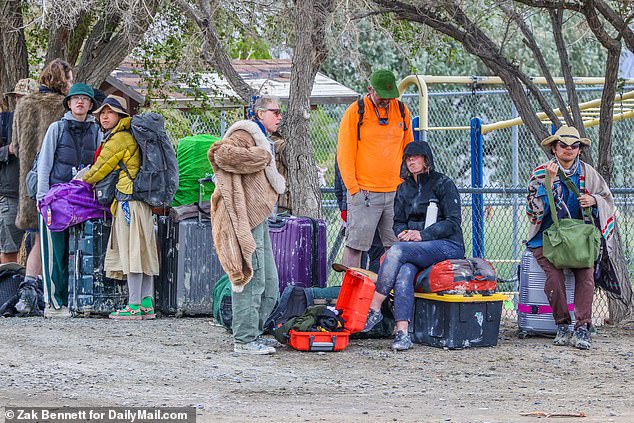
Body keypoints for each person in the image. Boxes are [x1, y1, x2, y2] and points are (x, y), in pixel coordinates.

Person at [362, 141, 465, 351]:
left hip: (447, 245)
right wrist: (403, 232)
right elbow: (398, 221)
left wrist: (422, 234)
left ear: (426, 159)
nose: (411, 160)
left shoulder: (443, 184)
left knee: (396, 250)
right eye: (408, 157)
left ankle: (374, 306)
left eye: (416, 156)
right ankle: (402, 333)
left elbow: (453, 222)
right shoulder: (403, 188)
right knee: (405, 271)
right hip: (415, 248)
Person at [526, 126, 617, 350]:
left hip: (580, 239)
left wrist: (594, 200)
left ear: (579, 150)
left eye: (573, 146)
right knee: (554, 278)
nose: (568, 149)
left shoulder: (589, 173)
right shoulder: (541, 173)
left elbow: (607, 200)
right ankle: (563, 325)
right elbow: (533, 212)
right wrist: (550, 183)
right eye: (563, 145)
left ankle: (582, 328)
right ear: (554, 149)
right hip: (548, 239)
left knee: (586, 275)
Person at [208, 95, 286, 355]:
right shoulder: (245, 132)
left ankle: (254, 332)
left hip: (258, 217)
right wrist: (261, 157)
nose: (279, 116)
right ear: (260, 113)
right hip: (242, 217)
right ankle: (244, 339)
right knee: (250, 277)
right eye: (275, 112)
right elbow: (220, 153)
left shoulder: (263, 137)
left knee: (270, 282)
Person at [82, 95, 159, 320]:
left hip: (127, 201)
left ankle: (133, 305)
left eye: (110, 112)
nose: (104, 116)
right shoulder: (132, 135)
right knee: (143, 250)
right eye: (102, 113)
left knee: (132, 250)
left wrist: (81, 180)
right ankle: (147, 303)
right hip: (141, 200)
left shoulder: (119, 139)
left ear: (120, 116)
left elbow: (99, 169)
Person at [10, 59, 73, 316]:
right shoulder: (61, 107)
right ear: (61, 79)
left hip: (28, 180)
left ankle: (28, 288)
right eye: (69, 79)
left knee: (36, 236)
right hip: (55, 180)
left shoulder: (24, 105)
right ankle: (45, 290)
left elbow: (14, 146)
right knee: (48, 239)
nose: (71, 84)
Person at [336, 69, 413, 269]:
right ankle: (351, 296)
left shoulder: (402, 111)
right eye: (382, 96)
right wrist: (354, 189)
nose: (387, 100)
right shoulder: (356, 111)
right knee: (355, 247)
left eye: (390, 96)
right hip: (365, 192)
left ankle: (389, 295)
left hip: (396, 192)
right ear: (370, 90)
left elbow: (410, 150)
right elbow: (344, 154)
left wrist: (407, 185)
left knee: (395, 246)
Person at [37, 82, 102, 317]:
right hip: (54, 199)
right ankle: (53, 304)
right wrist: (42, 198)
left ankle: (74, 302)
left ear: (91, 105)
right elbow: (44, 164)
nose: (80, 102)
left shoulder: (97, 132)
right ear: (69, 103)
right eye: (76, 99)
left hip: (82, 201)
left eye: (85, 99)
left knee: (79, 252)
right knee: (56, 252)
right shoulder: (57, 128)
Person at [1, 79, 39, 265]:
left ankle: (35, 291)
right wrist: (7, 150)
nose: (21, 101)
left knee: (40, 248)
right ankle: (8, 291)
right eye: (17, 97)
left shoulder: (46, 124)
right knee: (8, 250)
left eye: (26, 98)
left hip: (38, 196)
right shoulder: (4, 121)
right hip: (12, 196)